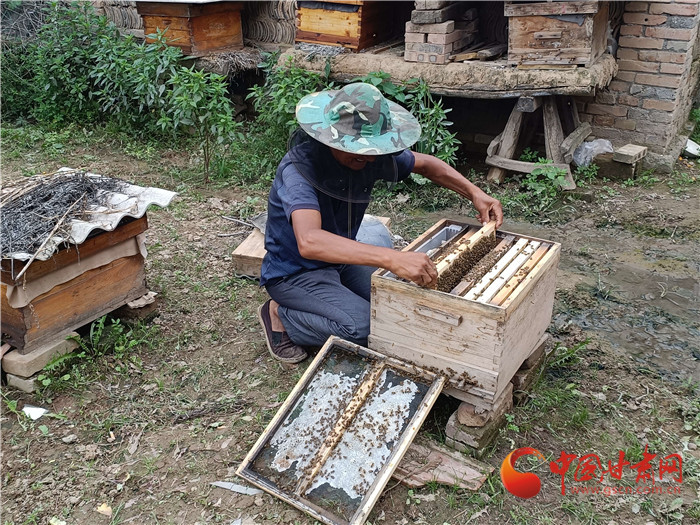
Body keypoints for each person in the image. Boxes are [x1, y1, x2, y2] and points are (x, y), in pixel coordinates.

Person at [257, 82, 503, 364]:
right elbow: (310, 241)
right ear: (330, 138)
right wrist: (391, 258)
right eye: (357, 148)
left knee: (396, 304)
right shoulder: (298, 171)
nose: (365, 157)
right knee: (365, 328)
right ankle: (280, 315)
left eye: (370, 149)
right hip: (294, 273)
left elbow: (428, 165)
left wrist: (475, 193)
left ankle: (332, 299)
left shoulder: (368, 157)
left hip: (341, 259)